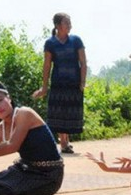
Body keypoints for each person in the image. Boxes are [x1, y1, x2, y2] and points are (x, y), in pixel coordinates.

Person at [32, 12, 87, 154]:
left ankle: (65, 141)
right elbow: (47, 65)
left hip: (74, 83)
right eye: (66, 22)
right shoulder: (50, 43)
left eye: (70, 22)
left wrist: (82, 82)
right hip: (58, 83)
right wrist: (44, 87)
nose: (69, 25)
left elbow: (83, 62)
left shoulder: (76, 41)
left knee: (69, 113)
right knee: (60, 112)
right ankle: (63, 143)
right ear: (57, 26)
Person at [0, 82, 64, 195]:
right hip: (23, 170)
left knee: (5, 192)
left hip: (48, 176)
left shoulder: (24, 114)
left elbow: (12, 146)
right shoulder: (1, 127)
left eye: (0, 100)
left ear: (9, 98)